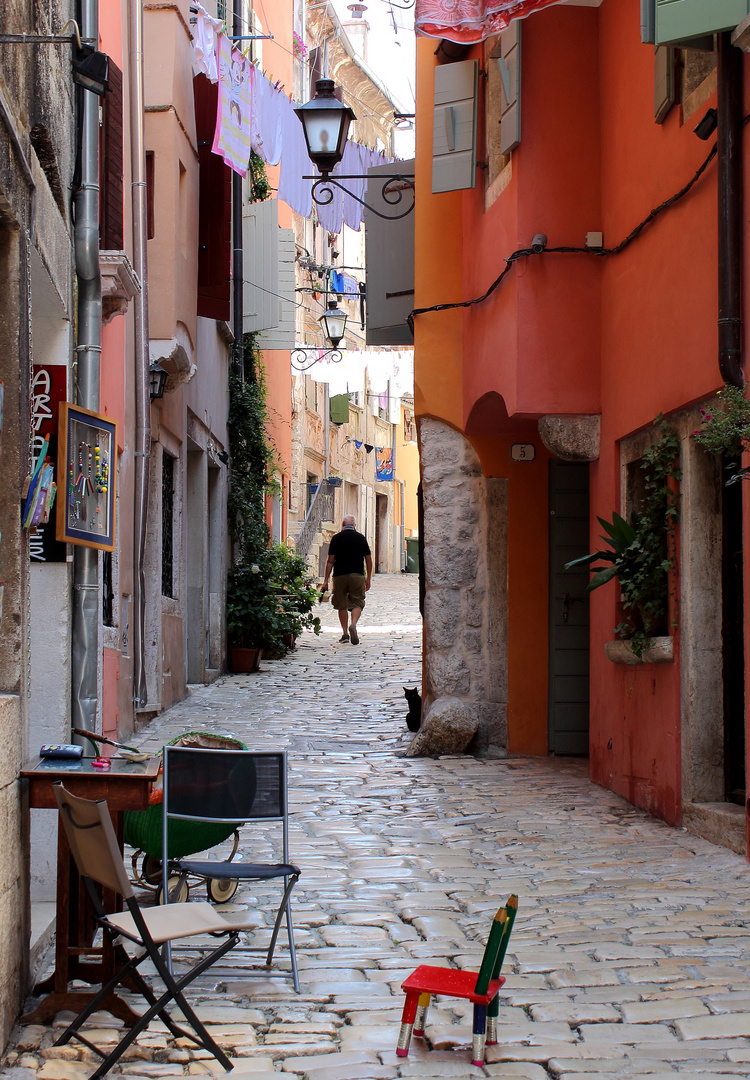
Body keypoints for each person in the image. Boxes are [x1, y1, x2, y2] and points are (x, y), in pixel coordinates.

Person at [321, 514, 372, 644]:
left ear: (343, 525)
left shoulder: (336, 538)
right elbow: (368, 559)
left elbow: (330, 561)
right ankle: (353, 624)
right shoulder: (361, 538)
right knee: (358, 602)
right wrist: (368, 578)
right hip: (357, 575)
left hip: (339, 575)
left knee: (341, 604)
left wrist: (326, 580)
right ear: (354, 525)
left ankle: (344, 633)